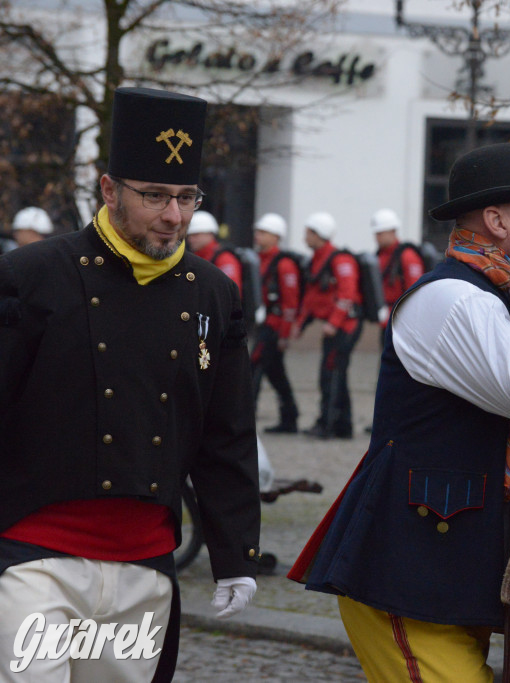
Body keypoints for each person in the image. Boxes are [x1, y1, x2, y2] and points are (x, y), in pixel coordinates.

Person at [289, 142, 510, 682]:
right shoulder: (450, 297)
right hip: (405, 575)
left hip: (447, 572)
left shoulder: (504, 293)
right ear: (495, 219)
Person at [0, 87, 261, 682]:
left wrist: (235, 552)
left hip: (145, 564)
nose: (173, 216)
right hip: (34, 559)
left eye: (186, 197)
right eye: (154, 196)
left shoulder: (214, 293)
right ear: (110, 189)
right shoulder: (29, 276)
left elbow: (226, 433)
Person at [294, 211, 363, 439]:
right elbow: (312, 296)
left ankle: (328, 424)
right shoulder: (318, 260)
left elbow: (347, 294)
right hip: (336, 327)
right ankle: (343, 426)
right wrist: (301, 323)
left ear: (318, 234)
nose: (305, 238)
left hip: (345, 326)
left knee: (330, 375)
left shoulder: (340, 260)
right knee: (337, 374)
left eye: (308, 234)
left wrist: (333, 323)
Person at [253, 212, 302, 434]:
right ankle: (290, 416)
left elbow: (290, 303)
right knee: (275, 372)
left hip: (274, 326)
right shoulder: (261, 260)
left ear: (276, 237)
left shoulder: (283, 264)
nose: (257, 236)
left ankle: (247, 413)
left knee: (255, 365)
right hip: (265, 324)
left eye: (263, 233)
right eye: (257, 232)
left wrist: (284, 334)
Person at [373, 207, 424, 332]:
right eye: (376, 234)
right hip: (385, 319)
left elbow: (415, 291)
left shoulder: (407, 256)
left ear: (392, 231)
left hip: (401, 322)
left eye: (380, 233)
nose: (376, 237)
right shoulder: (380, 255)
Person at [185, 209, 244, 296]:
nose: (191, 239)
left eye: (196, 235)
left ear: (210, 234)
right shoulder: (196, 257)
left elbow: (231, 294)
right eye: (189, 236)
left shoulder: (224, 259)